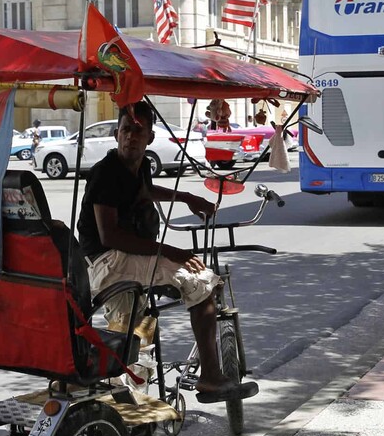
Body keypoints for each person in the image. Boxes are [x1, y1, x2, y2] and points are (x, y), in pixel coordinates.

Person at [77, 100, 256, 402]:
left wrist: (186, 197)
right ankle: (211, 378)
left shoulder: (140, 165)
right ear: (116, 135)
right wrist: (169, 251)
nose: (130, 137)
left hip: (129, 258)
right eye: (125, 131)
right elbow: (110, 235)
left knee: (137, 340)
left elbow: (144, 191)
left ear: (149, 138)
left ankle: (133, 409)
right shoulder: (106, 173)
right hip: (110, 261)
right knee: (200, 284)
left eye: (138, 131)